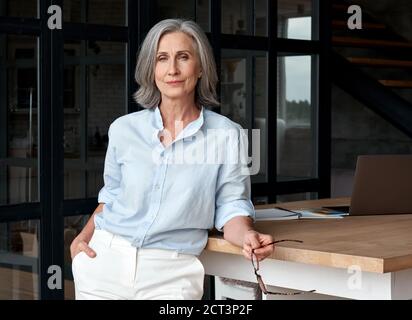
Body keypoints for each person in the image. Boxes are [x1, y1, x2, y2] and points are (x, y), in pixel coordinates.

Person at [70, 18, 274, 300]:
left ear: (200, 67)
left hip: (171, 272)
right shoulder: (123, 129)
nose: (173, 69)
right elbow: (111, 196)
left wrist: (247, 236)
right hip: (104, 262)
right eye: (162, 59)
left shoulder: (227, 135)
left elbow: (231, 205)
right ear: (151, 69)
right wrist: (84, 236)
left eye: (184, 57)